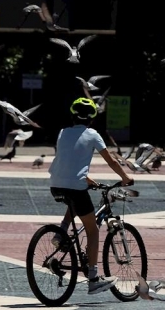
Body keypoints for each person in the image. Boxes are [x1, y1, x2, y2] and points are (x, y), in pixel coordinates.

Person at [48, 97, 134, 295]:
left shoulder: (62, 132)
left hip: (56, 184)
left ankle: (60, 233)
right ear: (92, 118)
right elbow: (111, 161)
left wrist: (86, 179)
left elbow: (68, 160)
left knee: (75, 204)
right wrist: (125, 177)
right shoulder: (93, 134)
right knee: (93, 230)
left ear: (72, 115)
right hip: (74, 187)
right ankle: (94, 279)